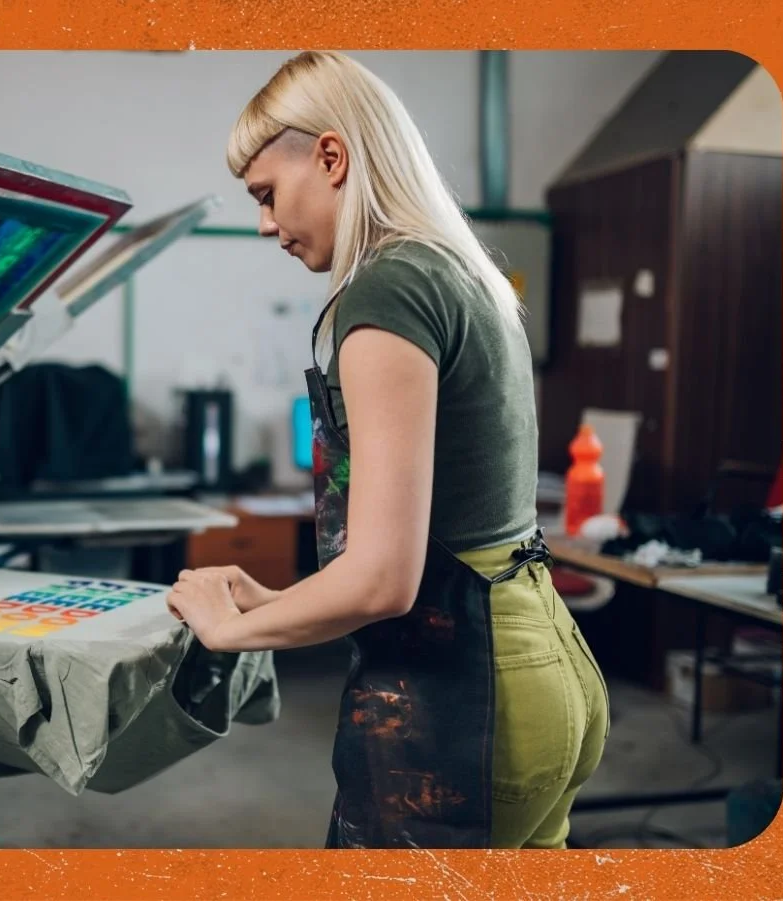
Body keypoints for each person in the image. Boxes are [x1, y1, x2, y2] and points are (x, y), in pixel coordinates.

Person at [165, 51, 610, 850]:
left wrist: (228, 630)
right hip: (541, 664)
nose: (264, 223)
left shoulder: (385, 289)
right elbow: (439, 534)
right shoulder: (459, 272)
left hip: (468, 698)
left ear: (331, 157)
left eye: (266, 194)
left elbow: (382, 579)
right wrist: (273, 600)